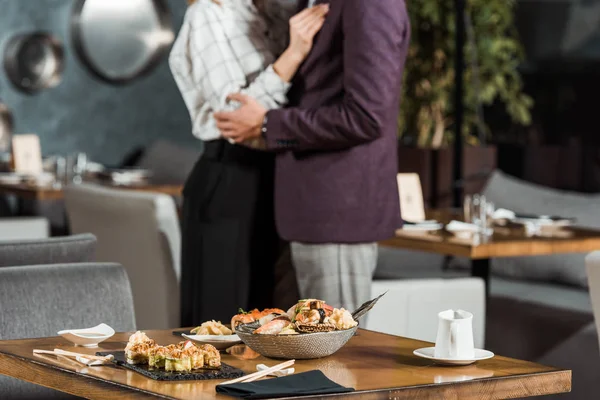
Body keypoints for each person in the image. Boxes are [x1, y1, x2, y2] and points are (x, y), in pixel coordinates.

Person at [214, 0, 411, 312]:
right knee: (297, 354)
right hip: (302, 212)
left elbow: (367, 116)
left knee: (336, 354)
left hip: (337, 216)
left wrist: (268, 123)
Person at [169, 0, 329, 325]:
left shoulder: (270, 12)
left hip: (279, 177)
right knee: (222, 326)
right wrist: (294, 53)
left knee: (270, 327)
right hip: (230, 179)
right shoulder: (207, 15)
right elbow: (236, 115)